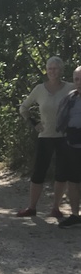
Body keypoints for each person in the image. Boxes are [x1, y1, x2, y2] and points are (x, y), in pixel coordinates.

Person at [16, 56, 74, 218]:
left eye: (55, 68)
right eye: (49, 68)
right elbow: (23, 108)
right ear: (46, 70)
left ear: (61, 70)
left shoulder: (70, 88)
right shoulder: (39, 89)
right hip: (45, 136)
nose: (52, 71)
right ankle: (31, 207)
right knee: (38, 173)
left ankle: (55, 208)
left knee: (62, 173)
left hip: (64, 137)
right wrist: (34, 123)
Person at [56, 66, 81, 228]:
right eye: (76, 79)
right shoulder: (70, 98)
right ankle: (75, 215)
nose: (79, 82)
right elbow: (62, 120)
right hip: (72, 142)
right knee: (73, 180)